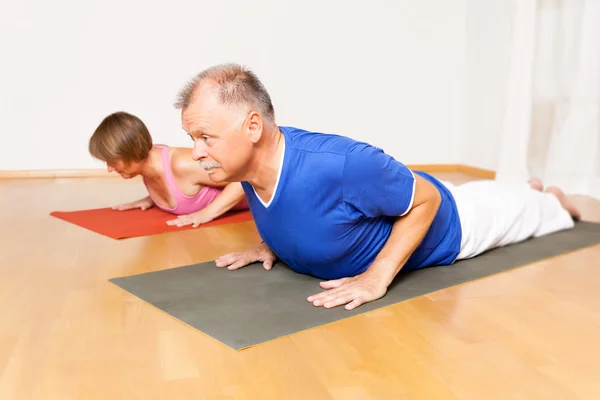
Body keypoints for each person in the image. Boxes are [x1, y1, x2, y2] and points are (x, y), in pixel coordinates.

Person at [173, 63, 581, 311]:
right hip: (432, 196)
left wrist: (377, 276)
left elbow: (428, 198)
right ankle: (527, 188)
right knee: (498, 192)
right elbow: (299, 208)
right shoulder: (245, 167)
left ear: (253, 127)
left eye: (206, 137)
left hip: (455, 225)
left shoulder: (341, 163)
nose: (196, 152)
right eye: (193, 138)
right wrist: (272, 244)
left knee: (541, 212)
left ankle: (549, 198)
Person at [88, 111, 249, 227]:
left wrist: (207, 213)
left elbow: (243, 177)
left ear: (133, 150)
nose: (109, 168)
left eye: (112, 161)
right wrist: (152, 198)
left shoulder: (181, 164)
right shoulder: (150, 163)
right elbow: (176, 185)